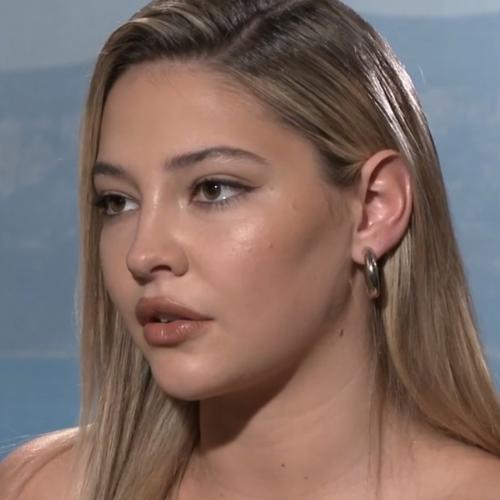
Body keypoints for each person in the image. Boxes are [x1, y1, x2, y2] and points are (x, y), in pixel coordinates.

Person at [1, 0, 500, 498]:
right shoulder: (41, 488)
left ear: (374, 208)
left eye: (213, 189)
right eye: (117, 201)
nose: (142, 253)